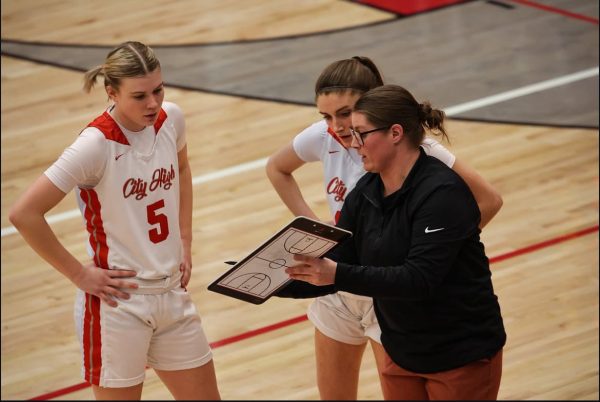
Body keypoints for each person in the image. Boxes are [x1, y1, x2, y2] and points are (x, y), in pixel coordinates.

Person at [266, 57, 503, 400]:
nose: (337, 127)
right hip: (340, 278)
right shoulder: (354, 175)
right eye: (327, 116)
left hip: (392, 295)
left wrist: (435, 247)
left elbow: (488, 201)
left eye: (346, 115)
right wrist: (275, 272)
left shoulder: (426, 163)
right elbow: (277, 168)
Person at [8, 41, 221, 400]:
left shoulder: (172, 119)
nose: (152, 103)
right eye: (139, 96)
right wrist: (78, 274)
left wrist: (185, 239)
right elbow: (24, 213)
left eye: (158, 90)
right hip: (119, 305)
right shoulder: (94, 145)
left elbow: (182, 168)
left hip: (172, 293)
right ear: (112, 92)